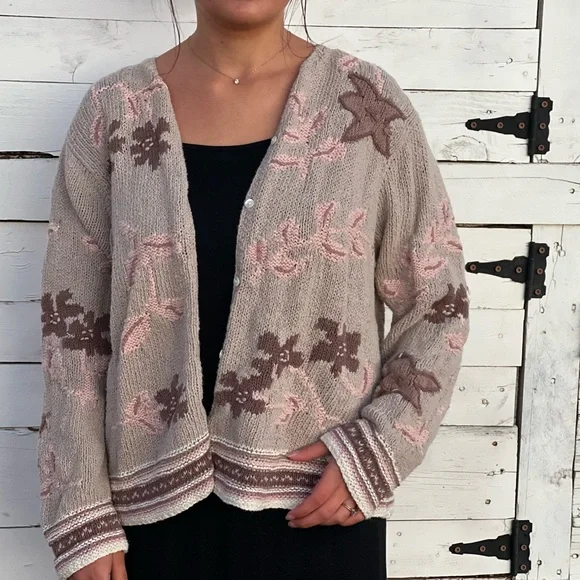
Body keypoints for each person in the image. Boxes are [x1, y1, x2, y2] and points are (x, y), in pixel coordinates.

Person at [37, 1, 470, 579]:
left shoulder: (366, 105)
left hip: (319, 508)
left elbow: (438, 301)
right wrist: (81, 515)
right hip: (146, 520)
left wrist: (378, 449)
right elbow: (72, 331)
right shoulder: (113, 112)